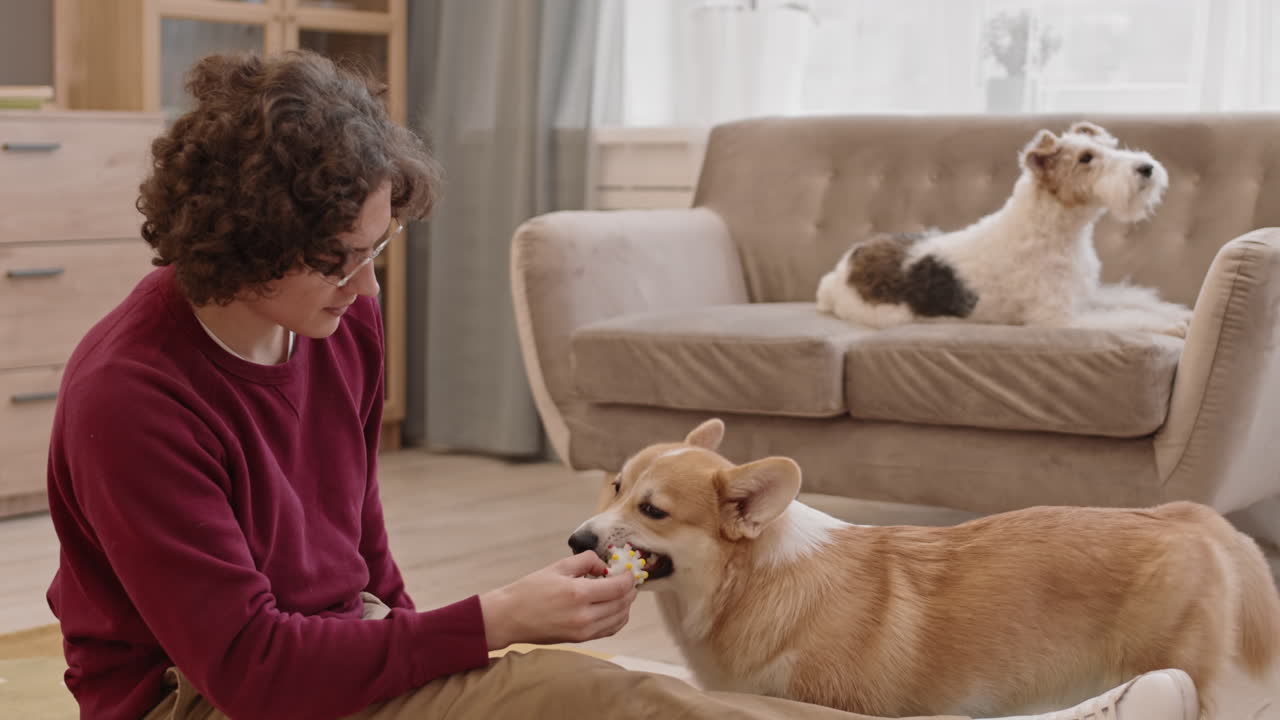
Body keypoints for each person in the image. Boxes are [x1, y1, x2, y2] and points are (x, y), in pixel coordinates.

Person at [43, 49, 1197, 720]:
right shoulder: (132, 399)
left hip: (324, 647)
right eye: (341, 258)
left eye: (379, 249)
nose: (365, 281)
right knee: (614, 704)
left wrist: (419, 627)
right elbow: (245, 670)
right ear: (243, 243)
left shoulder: (340, 316)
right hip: (198, 702)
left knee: (589, 690)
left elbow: (352, 536)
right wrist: (483, 623)